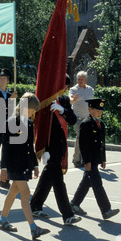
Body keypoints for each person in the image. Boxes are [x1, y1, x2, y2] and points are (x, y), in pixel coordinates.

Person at [30, 75, 81, 225]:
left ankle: (35, 205)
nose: (65, 89)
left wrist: (63, 110)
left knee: (48, 176)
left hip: (60, 146)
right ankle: (67, 215)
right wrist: (42, 148)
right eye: (63, 86)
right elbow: (40, 126)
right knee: (58, 180)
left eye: (66, 86)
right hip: (49, 147)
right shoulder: (45, 100)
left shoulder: (64, 100)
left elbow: (72, 120)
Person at [0, 93, 50, 240]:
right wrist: (3, 169)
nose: (34, 113)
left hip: (24, 165)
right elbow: (6, 148)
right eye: (32, 110)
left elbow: (30, 147)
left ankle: (2, 219)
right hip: (14, 166)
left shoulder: (28, 123)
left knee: (13, 193)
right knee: (25, 194)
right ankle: (33, 228)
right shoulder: (11, 123)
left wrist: (34, 164)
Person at [70, 98, 120, 220]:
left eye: (101, 110)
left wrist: (103, 159)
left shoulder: (100, 124)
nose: (100, 112)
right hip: (89, 160)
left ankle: (74, 204)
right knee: (97, 184)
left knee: (86, 182)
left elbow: (102, 144)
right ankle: (106, 210)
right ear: (90, 109)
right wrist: (86, 161)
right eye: (97, 110)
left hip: (96, 159)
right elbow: (83, 145)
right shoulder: (86, 124)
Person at [69, 71, 94, 167]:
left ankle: (84, 159)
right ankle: (76, 160)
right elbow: (70, 99)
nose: (79, 81)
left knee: (86, 138)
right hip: (77, 117)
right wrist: (73, 100)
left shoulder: (90, 89)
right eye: (78, 79)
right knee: (81, 137)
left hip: (88, 118)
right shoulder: (73, 89)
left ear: (86, 80)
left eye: (81, 79)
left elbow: (91, 103)